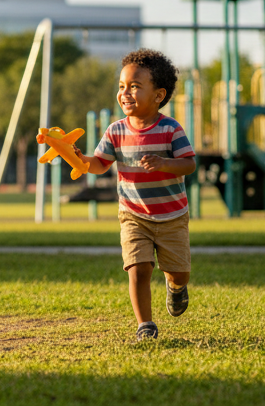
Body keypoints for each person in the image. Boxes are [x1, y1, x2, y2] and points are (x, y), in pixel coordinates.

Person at [72, 48, 196, 341]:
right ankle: (145, 325)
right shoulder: (115, 131)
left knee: (179, 273)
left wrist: (164, 164)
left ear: (158, 95)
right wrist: (79, 159)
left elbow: (189, 164)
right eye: (122, 86)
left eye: (135, 86)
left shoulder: (171, 129)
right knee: (137, 268)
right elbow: (99, 164)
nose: (125, 93)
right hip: (133, 215)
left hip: (171, 216)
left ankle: (176, 287)